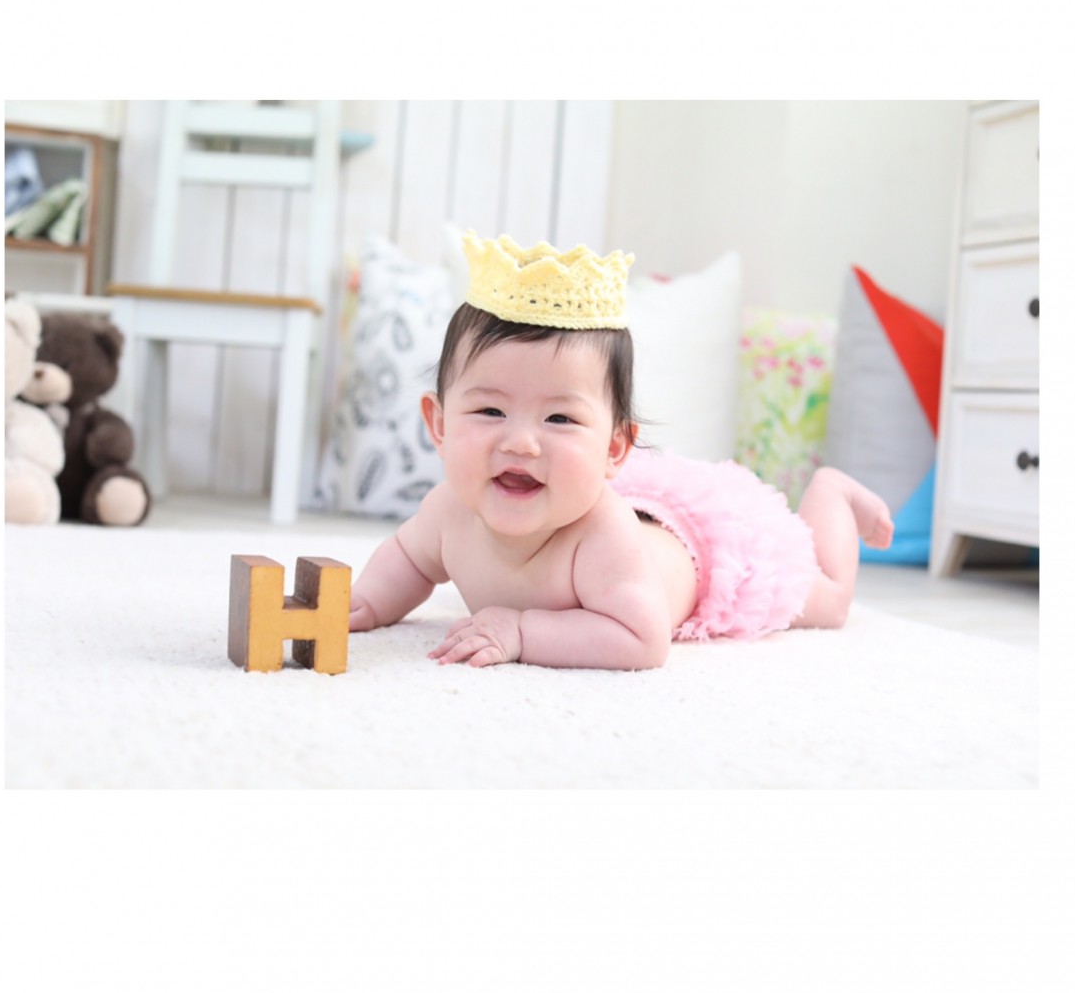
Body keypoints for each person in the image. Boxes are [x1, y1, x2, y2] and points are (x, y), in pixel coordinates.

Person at [348, 232, 894, 670]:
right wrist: (366, 603)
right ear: (439, 424)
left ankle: (833, 494)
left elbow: (642, 638)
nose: (520, 442)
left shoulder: (601, 536)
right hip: (645, 515)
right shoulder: (447, 512)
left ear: (613, 448)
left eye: (560, 418)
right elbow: (408, 560)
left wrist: (522, 630)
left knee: (826, 601)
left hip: (708, 557)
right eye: (490, 411)